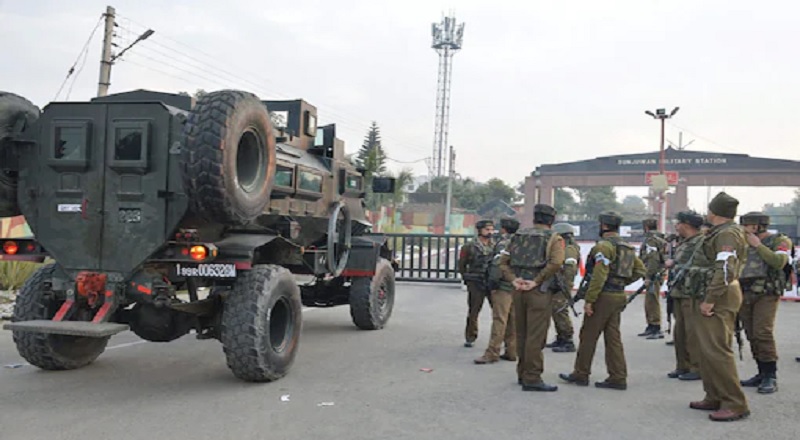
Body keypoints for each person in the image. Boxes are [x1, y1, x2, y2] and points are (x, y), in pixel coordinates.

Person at [560, 211, 646, 390]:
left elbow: (599, 275)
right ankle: (618, 376)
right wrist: (621, 282)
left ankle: (581, 373)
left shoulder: (604, 247)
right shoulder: (626, 247)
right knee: (613, 337)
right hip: (618, 295)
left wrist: (590, 300)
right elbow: (640, 271)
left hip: (603, 296)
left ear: (604, 226)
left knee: (588, 335)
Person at [688, 191, 750, 422]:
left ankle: (735, 403)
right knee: (706, 350)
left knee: (717, 350)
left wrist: (710, 299)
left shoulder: (728, 235)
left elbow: (725, 269)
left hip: (720, 294)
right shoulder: (720, 232)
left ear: (714, 211)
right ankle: (714, 395)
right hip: (715, 292)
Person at [498, 204, 565, 392]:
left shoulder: (517, 236)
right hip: (539, 292)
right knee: (536, 336)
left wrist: (514, 280)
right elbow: (557, 263)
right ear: (551, 220)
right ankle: (533, 377)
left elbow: (503, 262)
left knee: (522, 333)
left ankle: (522, 373)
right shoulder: (554, 238)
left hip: (518, 290)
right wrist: (536, 281)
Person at [737, 212, 793, 394]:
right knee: (751, 333)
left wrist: (758, 246)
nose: (743, 229)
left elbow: (778, 262)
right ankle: (761, 372)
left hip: (767, 292)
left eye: (747, 226)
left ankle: (770, 375)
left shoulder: (779, 240)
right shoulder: (742, 242)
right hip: (745, 292)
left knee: (763, 332)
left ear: (757, 226)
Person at [665, 210, 705, 381]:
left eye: (678, 223)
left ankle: (696, 368)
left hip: (692, 293)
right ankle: (682, 365)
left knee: (692, 332)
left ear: (687, 225)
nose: (676, 226)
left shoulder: (701, 242)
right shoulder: (684, 242)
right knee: (679, 332)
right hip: (679, 291)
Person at [474, 217, 520, 364]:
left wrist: (492, 283)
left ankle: (492, 352)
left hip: (503, 286)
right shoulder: (521, 242)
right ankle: (511, 351)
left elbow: (497, 265)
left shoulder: (503, 243)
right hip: (517, 285)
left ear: (503, 229)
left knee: (500, 320)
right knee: (513, 320)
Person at [458, 219, 495, 347]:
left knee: (498, 311)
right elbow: (462, 264)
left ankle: (499, 338)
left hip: (491, 281)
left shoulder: (495, 245)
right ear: (479, 231)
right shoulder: (469, 246)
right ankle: (470, 337)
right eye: (487, 229)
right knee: (473, 311)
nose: (490, 232)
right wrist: (466, 278)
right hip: (475, 281)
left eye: (491, 229)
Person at [546, 222, 581, 353]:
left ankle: (567, 340)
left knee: (560, 311)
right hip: (558, 283)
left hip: (562, 284)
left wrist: (565, 285)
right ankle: (560, 337)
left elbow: (570, 268)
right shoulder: (564, 247)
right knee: (556, 311)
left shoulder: (569, 249)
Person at [638, 218, 668, 339]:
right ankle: (651, 325)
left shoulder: (651, 240)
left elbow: (653, 259)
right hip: (656, 274)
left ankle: (655, 326)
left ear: (646, 227)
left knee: (652, 301)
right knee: (649, 301)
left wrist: (648, 276)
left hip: (654, 275)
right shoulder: (659, 239)